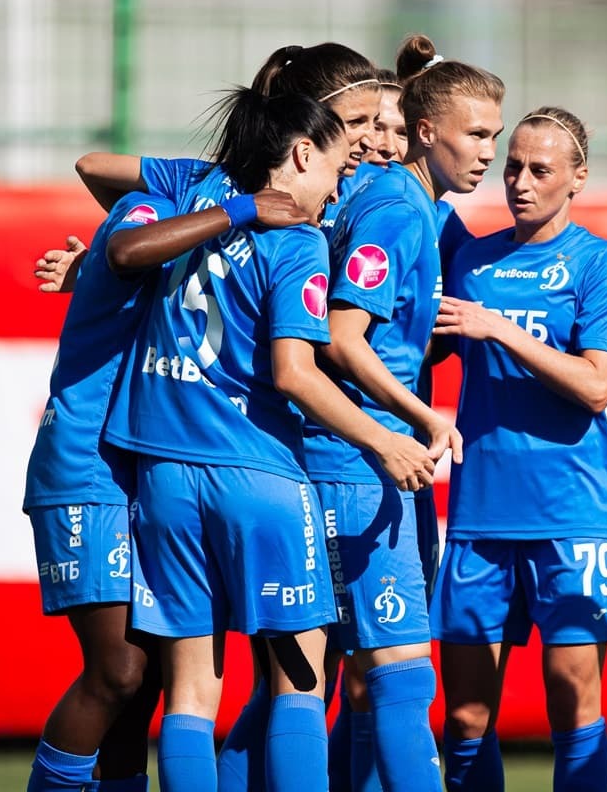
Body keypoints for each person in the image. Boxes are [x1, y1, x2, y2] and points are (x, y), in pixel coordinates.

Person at [100, 84, 435, 792]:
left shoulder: (198, 203)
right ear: (302, 151)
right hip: (258, 474)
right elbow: (293, 372)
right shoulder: (297, 240)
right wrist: (387, 439)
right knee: (299, 681)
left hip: (163, 473)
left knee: (192, 691)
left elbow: (112, 212)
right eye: (341, 166)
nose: (344, 185)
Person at [306, 33, 503, 792]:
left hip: (373, 454)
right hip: (360, 454)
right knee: (396, 671)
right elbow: (343, 336)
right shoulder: (396, 209)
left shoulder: (418, 205)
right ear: (429, 133)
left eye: (494, 133)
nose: (488, 152)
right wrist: (420, 415)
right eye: (477, 135)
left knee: (342, 678)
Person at [430, 106, 607, 792]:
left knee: (572, 703)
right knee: (463, 717)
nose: (519, 181)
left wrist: (501, 331)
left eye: (540, 169)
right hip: (478, 520)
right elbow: (414, 181)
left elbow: (598, 387)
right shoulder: (468, 255)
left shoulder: (600, 263)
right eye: (512, 165)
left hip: (574, 515)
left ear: (578, 178)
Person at [22, 191, 178, 792]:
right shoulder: (169, 200)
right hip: (89, 466)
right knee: (118, 672)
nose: (370, 143)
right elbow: (94, 169)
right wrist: (238, 208)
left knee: (149, 679)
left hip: (151, 471)